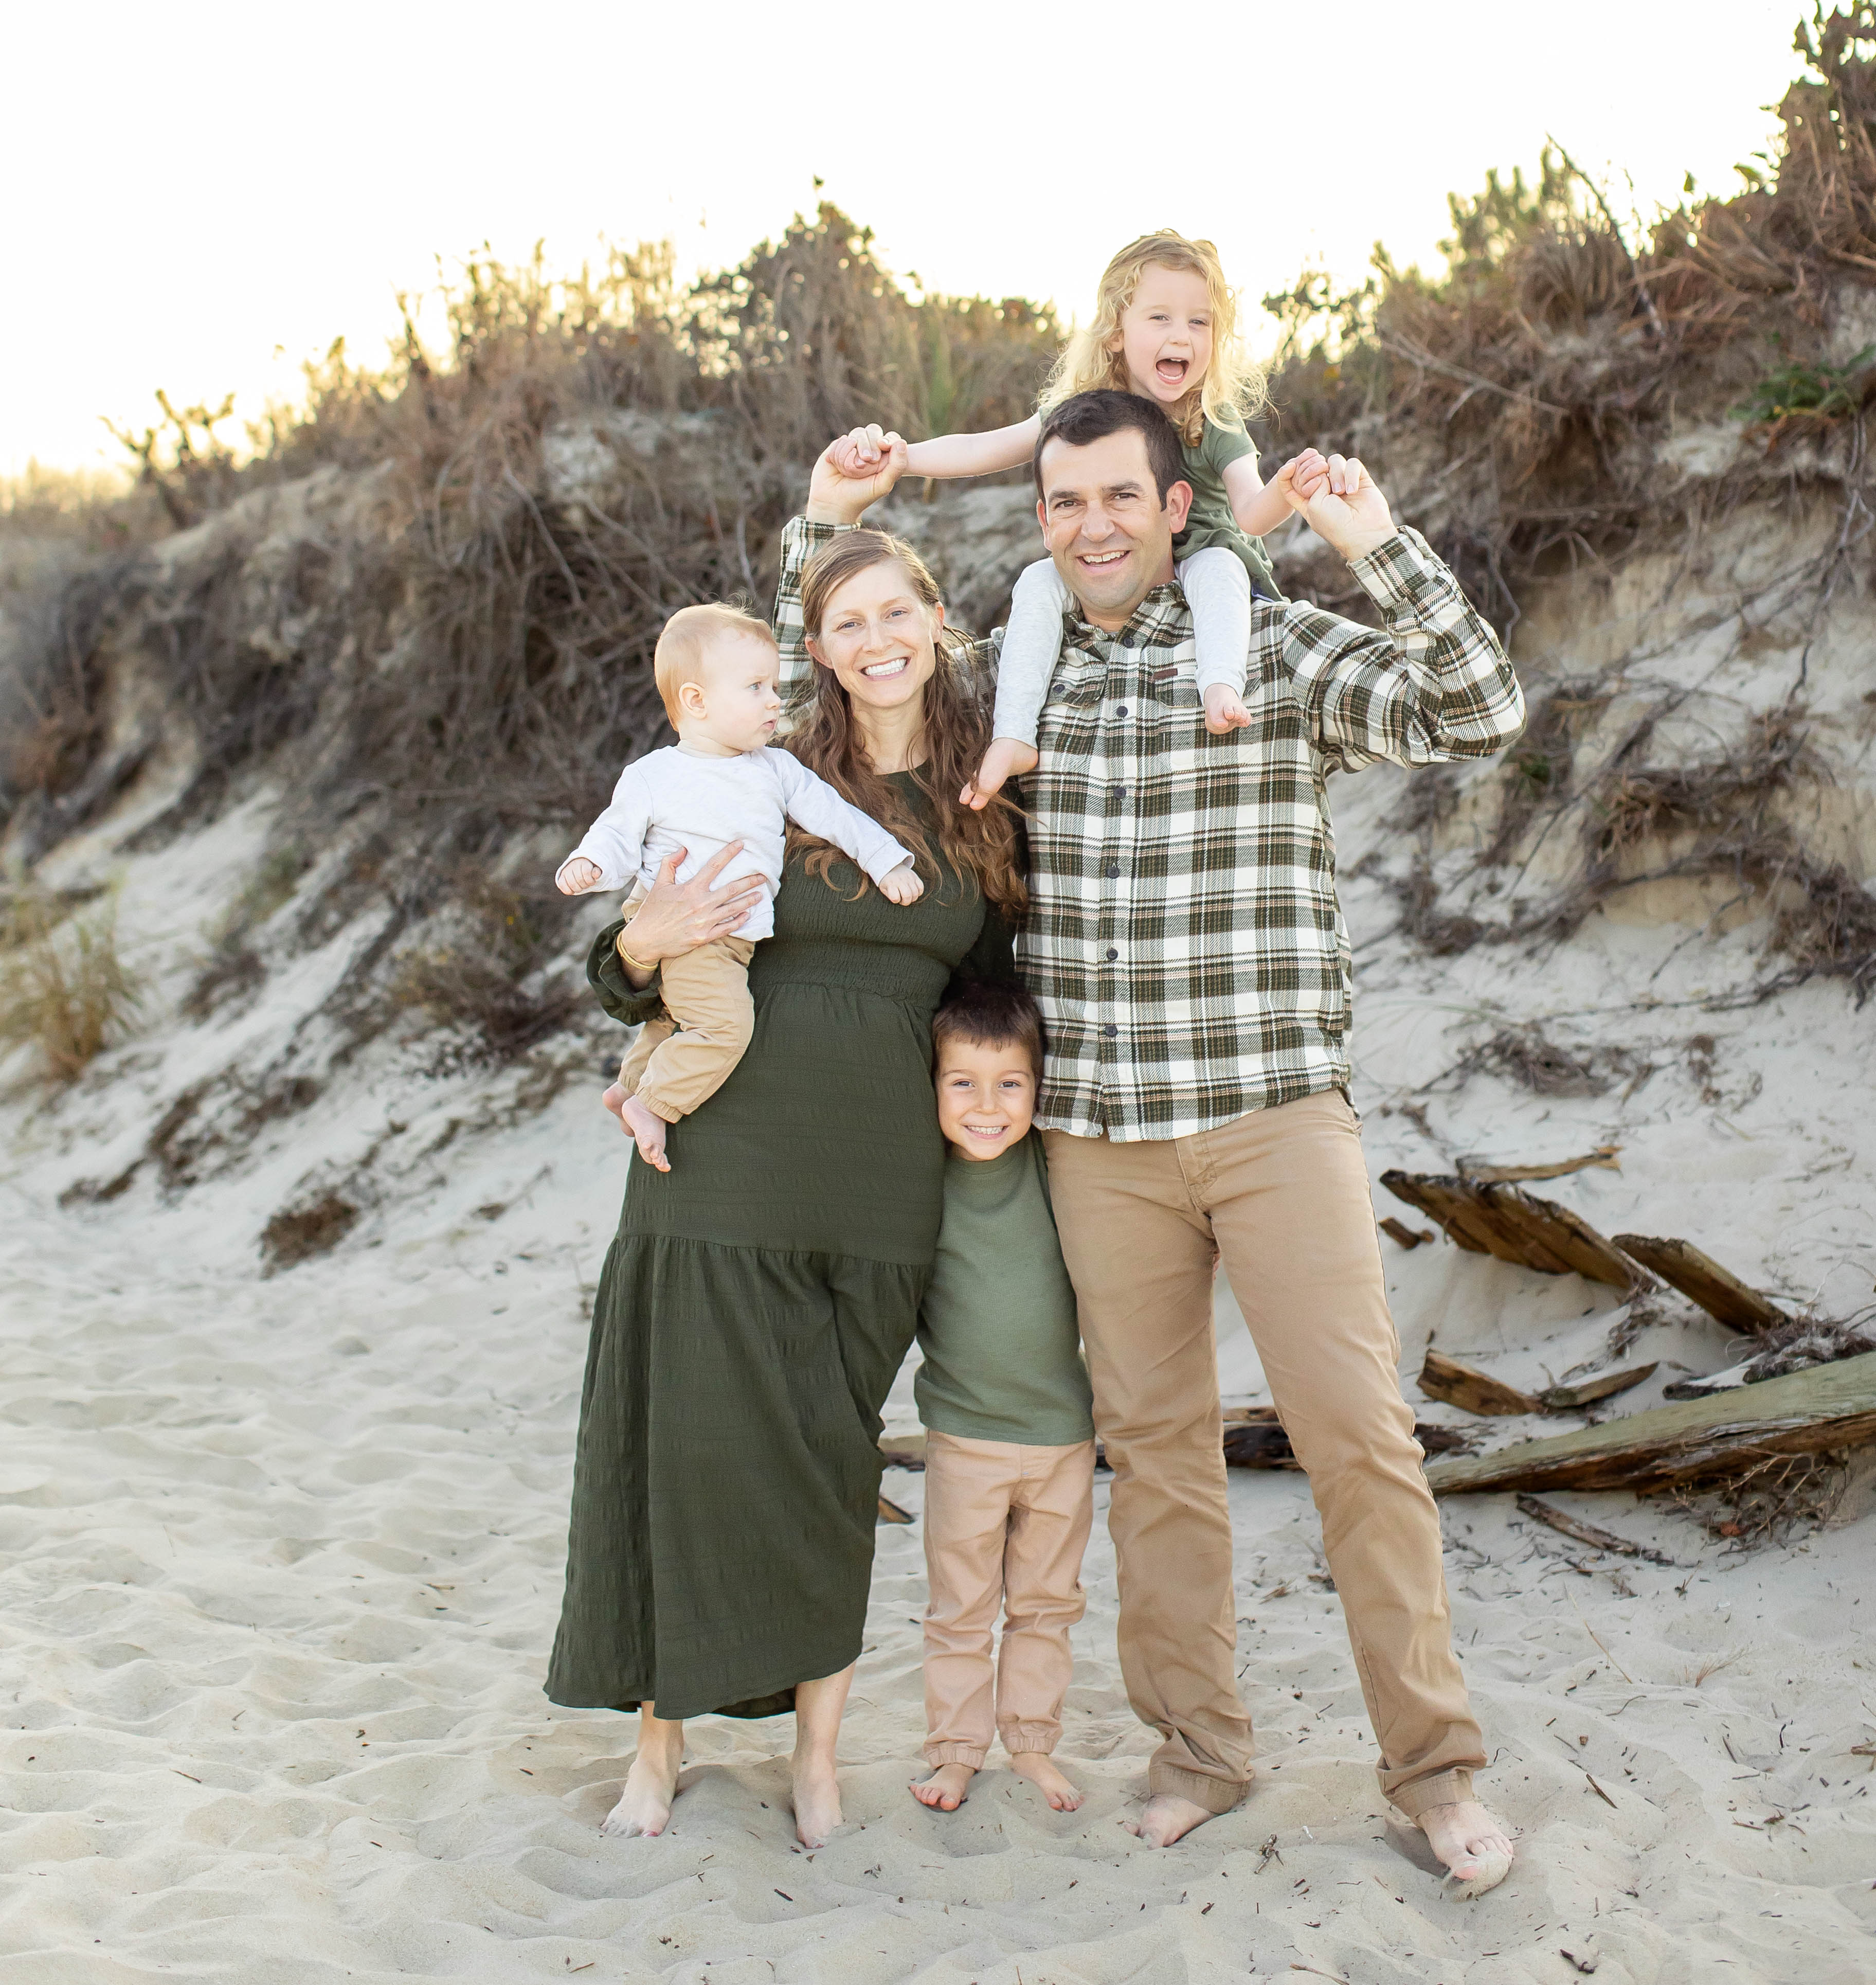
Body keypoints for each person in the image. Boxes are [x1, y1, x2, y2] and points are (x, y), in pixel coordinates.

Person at [777, 391, 1526, 1895]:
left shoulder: (1274, 649)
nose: (1095, 526)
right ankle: (1198, 1747)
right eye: (1064, 505)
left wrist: (1374, 548)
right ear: (1042, 521)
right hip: (1099, 1137)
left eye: (1121, 498)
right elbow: (841, 656)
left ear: (1175, 508)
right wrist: (823, 514)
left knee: (1359, 1446)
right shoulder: (1009, 690)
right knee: (1162, 1460)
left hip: (1269, 1115)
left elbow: (1477, 712)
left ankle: (1433, 1771)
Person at [545, 532, 1023, 1851]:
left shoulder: (986, 798)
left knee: (826, 1460)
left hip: (881, 1181)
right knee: (684, 1446)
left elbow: (995, 995)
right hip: (719, 1168)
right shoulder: (759, 764)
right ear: (813, 650)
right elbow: (629, 955)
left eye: (897, 610)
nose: (877, 639)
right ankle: (659, 1741)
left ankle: (817, 1755)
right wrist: (636, 947)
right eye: (845, 621)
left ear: (934, 617)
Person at [827, 230, 1332, 799]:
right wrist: (907, 457)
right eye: (1160, 318)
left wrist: (1289, 490)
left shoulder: (1211, 419)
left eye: (1200, 322)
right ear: (1116, 334)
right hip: (1115, 571)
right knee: (1037, 581)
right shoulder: (1082, 414)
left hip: (1205, 558)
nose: (1181, 337)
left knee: (1218, 567)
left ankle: (1220, 686)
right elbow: (985, 448)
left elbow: (1251, 515)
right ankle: (1015, 734)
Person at [554, 601, 923, 1171]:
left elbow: (836, 816)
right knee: (724, 1028)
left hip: (731, 937)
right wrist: (590, 864)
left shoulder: (774, 769)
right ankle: (656, 1104)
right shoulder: (656, 774)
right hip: (692, 931)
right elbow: (616, 833)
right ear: (696, 701)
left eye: (774, 685)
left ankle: (629, 1089)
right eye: (755, 687)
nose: (775, 700)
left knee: (674, 1022)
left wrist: (886, 862)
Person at [907, 979, 1095, 1819]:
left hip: (1062, 1434)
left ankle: (1030, 1744)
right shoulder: (915, 1182)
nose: (987, 1105)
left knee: (1046, 1605)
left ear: (1037, 1085)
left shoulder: (1058, 1167)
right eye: (962, 1083)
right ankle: (954, 1751)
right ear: (931, 1085)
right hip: (963, 1437)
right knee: (960, 1609)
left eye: (1009, 1083)